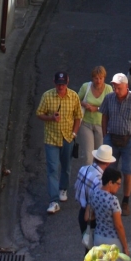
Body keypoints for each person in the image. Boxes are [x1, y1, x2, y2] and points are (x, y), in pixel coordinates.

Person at [100, 72, 131, 215]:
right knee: (109, 171)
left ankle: (126, 201)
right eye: (114, 87)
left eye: (119, 88)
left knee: (128, 171)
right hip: (112, 138)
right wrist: (105, 136)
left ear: (126, 86)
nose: (116, 90)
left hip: (129, 140)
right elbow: (104, 116)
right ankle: (109, 200)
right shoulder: (109, 98)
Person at [36, 70, 82, 214]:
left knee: (66, 167)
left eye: (63, 84)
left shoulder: (73, 96)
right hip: (51, 138)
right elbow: (39, 113)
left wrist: (74, 133)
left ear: (67, 82)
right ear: (54, 83)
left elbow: (78, 117)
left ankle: (63, 189)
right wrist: (51, 118)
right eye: (58, 84)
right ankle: (53, 201)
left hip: (67, 137)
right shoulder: (47, 96)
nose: (60, 87)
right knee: (52, 169)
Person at [74, 143, 115, 261]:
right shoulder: (100, 181)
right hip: (92, 218)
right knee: (94, 253)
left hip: (82, 213)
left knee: (88, 250)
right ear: (107, 163)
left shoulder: (83, 169)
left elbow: (77, 188)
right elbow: (98, 204)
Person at [87, 167, 129, 257]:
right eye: (118, 184)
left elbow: (87, 216)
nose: (119, 187)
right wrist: (125, 246)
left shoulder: (94, 194)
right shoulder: (113, 200)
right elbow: (118, 226)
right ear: (110, 183)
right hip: (112, 240)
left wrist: (100, 216)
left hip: (98, 237)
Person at [77, 66, 113, 164]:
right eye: (96, 78)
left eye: (101, 78)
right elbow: (76, 100)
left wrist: (96, 108)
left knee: (100, 156)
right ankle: (88, 177)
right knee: (88, 157)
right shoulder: (86, 87)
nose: (98, 81)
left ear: (104, 78)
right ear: (92, 78)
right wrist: (85, 104)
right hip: (86, 123)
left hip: (101, 125)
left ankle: (98, 178)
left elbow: (111, 106)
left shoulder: (108, 89)